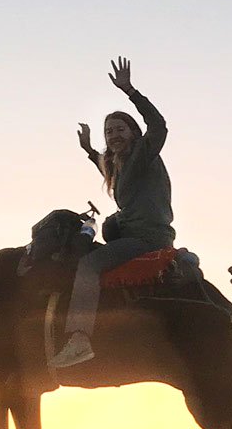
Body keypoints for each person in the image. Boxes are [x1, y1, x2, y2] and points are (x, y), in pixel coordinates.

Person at [50, 57, 174, 368]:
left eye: (119, 129)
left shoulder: (143, 155)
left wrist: (130, 91)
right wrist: (89, 149)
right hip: (133, 234)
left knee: (90, 265)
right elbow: (104, 166)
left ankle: (79, 338)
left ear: (133, 132)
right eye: (108, 132)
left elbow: (158, 126)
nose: (113, 135)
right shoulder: (118, 166)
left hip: (147, 237)